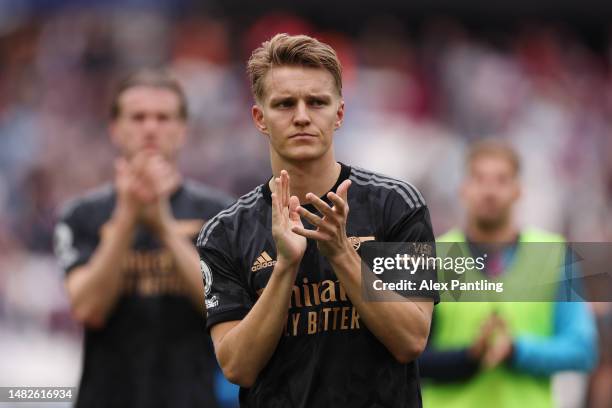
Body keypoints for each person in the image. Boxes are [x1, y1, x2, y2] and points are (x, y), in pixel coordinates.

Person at [197, 33, 438, 408]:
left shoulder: (397, 206)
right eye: (284, 104)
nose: (302, 116)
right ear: (260, 118)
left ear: (339, 113)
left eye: (317, 102)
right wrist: (285, 266)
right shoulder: (225, 232)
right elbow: (237, 368)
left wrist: (341, 252)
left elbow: (411, 341)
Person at [53, 69, 234, 408]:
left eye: (163, 118)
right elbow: (89, 309)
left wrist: (163, 226)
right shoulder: (81, 215)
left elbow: (220, 306)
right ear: (114, 129)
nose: (150, 128)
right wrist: (126, 217)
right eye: (137, 117)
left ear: (182, 131)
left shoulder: (220, 214)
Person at [419, 139, 598, 407]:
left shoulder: (556, 256)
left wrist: (518, 350)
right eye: (479, 179)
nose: (490, 191)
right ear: (463, 188)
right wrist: (467, 358)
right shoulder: (431, 257)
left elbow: (582, 349)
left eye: (501, 180)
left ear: (518, 190)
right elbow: (409, 354)